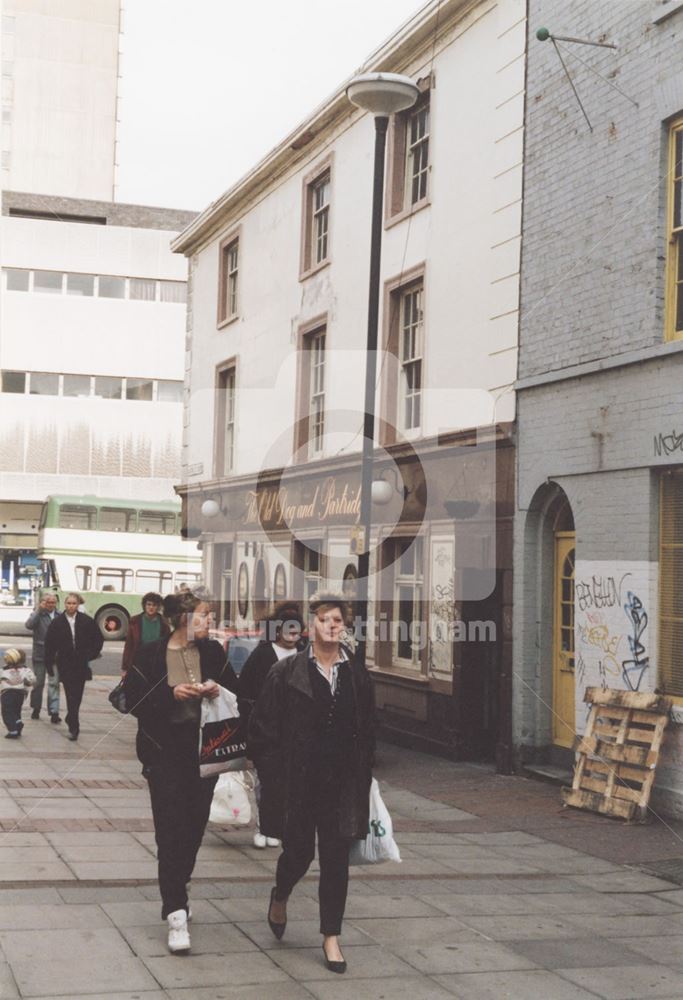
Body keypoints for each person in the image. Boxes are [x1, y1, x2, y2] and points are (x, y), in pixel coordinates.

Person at [248, 592, 375, 975]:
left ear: (345, 626)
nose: (332, 626)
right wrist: (274, 776)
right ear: (311, 626)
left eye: (338, 621)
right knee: (299, 855)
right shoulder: (287, 672)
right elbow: (262, 729)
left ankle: (331, 936)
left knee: (336, 861)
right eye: (324, 620)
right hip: (299, 783)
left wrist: (364, 773)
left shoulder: (356, 674)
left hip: (340, 783)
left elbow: (367, 728)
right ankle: (281, 893)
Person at [122, 589, 238, 954]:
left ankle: (179, 884)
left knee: (192, 828)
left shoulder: (213, 652)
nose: (210, 622)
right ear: (185, 619)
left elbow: (239, 692)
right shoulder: (153, 653)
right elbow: (133, 701)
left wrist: (218, 689)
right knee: (169, 831)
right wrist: (170, 695)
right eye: (205, 616)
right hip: (164, 755)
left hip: (204, 755)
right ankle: (175, 912)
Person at [237, 602, 304, 849]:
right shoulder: (263, 655)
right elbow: (244, 692)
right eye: (288, 628)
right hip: (265, 729)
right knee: (266, 780)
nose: (292, 633)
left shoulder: (306, 654)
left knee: (291, 782)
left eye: (296, 628)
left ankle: (281, 826)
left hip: (296, 730)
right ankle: (264, 827)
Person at [44, 592, 103, 741]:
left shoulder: (86, 621)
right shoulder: (57, 622)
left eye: (73, 603)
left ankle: (71, 716)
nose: (71, 606)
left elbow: (98, 638)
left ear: (78, 605)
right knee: (71, 695)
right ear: (65, 605)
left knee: (78, 695)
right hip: (65, 663)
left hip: (81, 664)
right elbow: (49, 644)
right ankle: (74, 727)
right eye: (68, 603)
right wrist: (49, 665)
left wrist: (91, 654)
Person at [25, 592, 61, 723]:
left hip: (55, 655)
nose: (51, 604)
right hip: (40, 654)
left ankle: (54, 712)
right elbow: (29, 625)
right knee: (38, 683)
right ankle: (36, 708)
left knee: (54, 683)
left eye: (53, 602)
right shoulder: (38, 614)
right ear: (43, 603)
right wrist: (39, 610)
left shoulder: (60, 615)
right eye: (48, 602)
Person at [121, 592, 170, 675]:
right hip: (138, 661)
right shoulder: (135, 621)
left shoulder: (164, 623)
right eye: (149, 604)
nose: (151, 607)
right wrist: (125, 668)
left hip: (156, 663)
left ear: (158, 607)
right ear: (144, 605)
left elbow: (166, 647)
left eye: (154, 605)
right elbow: (129, 645)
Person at [1, 648, 36, 739]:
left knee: (7, 711)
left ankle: (13, 730)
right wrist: (27, 682)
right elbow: (32, 679)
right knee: (16, 710)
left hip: (7, 693)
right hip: (20, 694)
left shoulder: (3, 670)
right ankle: (18, 723)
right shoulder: (25, 669)